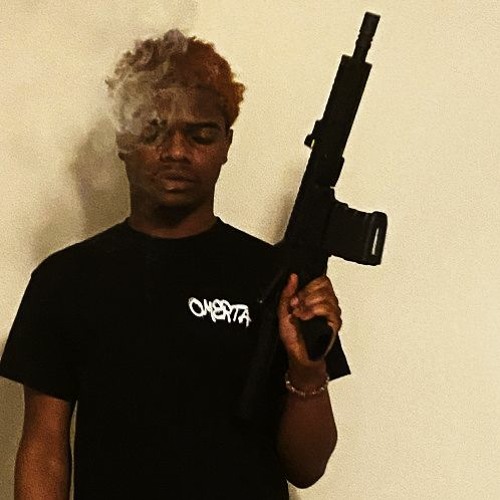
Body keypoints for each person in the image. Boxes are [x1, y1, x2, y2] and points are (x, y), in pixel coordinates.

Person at [0, 30, 350, 499]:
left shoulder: (278, 281)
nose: (177, 152)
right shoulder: (65, 280)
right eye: (153, 131)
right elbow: (44, 451)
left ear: (226, 144)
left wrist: (308, 373)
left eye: (200, 135)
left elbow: (306, 467)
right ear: (123, 139)